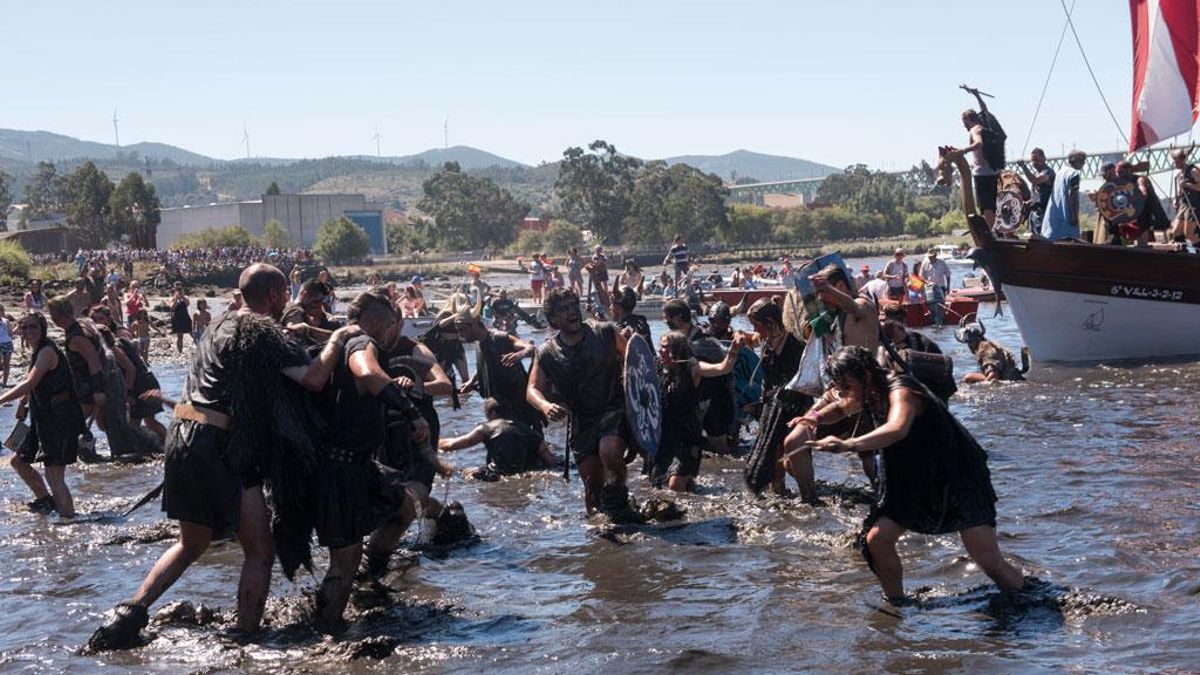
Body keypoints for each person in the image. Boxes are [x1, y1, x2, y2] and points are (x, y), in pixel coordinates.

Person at [86, 263, 358, 652]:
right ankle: (245, 637)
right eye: (285, 295)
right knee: (260, 551)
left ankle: (129, 613)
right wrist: (339, 338)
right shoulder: (260, 330)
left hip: (181, 434)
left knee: (191, 543)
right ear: (276, 294)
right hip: (221, 441)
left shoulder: (217, 325)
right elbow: (314, 378)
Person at [805, 346, 1027, 602]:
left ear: (865, 375)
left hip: (956, 474)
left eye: (844, 382)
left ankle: (1029, 597)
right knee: (877, 540)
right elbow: (842, 408)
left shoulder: (901, 390)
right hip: (913, 477)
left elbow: (897, 428)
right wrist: (813, 417)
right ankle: (897, 603)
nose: (839, 388)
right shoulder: (868, 391)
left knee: (987, 560)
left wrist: (849, 444)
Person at [313, 290, 428, 628]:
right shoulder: (363, 343)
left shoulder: (344, 339)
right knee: (343, 560)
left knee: (404, 508)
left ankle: (370, 575)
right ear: (382, 322)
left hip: (360, 465)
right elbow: (368, 374)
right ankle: (327, 632)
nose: (396, 333)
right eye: (394, 325)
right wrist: (411, 413)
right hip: (340, 467)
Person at [527, 288, 639, 521]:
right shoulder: (546, 352)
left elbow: (635, 361)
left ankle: (621, 503)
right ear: (553, 319)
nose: (571, 312)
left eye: (573, 305)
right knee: (592, 485)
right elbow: (532, 390)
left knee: (609, 453)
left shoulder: (605, 332)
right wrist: (545, 406)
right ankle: (599, 534)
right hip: (580, 421)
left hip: (613, 409)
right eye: (563, 309)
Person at [0, 313, 86, 517]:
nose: (29, 332)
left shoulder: (47, 350)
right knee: (18, 461)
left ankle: (69, 521)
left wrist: (1, 400)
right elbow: (36, 383)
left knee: (54, 474)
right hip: (42, 417)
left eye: (34, 327)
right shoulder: (37, 350)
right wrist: (23, 402)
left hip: (60, 418)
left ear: (43, 329)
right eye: (25, 328)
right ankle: (45, 501)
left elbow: (30, 382)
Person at [654, 330, 744, 492]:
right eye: (660, 347)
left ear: (676, 349)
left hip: (688, 436)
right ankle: (693, 491)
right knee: (658, 481)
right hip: (666, 436)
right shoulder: (660, 367)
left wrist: (734, 349)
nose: (661, 350)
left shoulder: (693, 367)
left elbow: (723, 368)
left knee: (675, 484)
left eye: (665, 347)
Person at [741, 297, 809, 497]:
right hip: (772, 406)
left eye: (757, 326)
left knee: (786, 456)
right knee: (772, 453)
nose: (756, 331)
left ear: (770, 322)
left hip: (794, 407)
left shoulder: (795, 345)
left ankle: (808, 493)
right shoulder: (768, 341)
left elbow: (798, 382)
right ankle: (778, 492)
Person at [439, 397, 559, 480]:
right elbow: (551, 461)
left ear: (493, 413)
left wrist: (431, 441)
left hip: (496, 475)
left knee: (462, 472)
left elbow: (452, 445)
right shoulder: (531, 432)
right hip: (525, 473)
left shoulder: (488, 427)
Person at [958, 87, 1005, 228]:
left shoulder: (974, 130)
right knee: (993, 204)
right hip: (993, 172)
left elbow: (979, 143)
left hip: (982, 174)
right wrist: (977, 95)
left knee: (986, 207)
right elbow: (985, 109)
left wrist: (964, 150)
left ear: (968, 119)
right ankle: (997, 230)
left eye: (963, 121)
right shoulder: (983, 124)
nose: (963, 124)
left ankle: (990, 234)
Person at [810, 264, 880, 351]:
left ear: (841, 286)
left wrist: (828, 288)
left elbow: (855, 308)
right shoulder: (837, 312)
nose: (820, 298)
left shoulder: (862, 303)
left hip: (864, 363)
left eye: (823, 292)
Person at [956, 320, 1026, 383]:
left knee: (968, 378)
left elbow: (994, 375)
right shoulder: (989, 346)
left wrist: (981, 389)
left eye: (969, 343)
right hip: (1012, 377)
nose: (969, 346)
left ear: (973, 342)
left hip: (1008, 380)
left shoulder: (985, 350)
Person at [1043, 149, 1086, 240]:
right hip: (1066, 217)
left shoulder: (1060, 172)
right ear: (1076, 160)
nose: (1084, 163)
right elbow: (1072, 194)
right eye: (1082, 160)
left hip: (1054, 217)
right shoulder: (1074, 174)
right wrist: (1073, 215)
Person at [1017, 148, 1055, 234]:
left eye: (1037, 160)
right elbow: (1037, 194)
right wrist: (1029, 202)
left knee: (1041, 239)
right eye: (1033, 160)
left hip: (1044, 214)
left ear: (1044, 159)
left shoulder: (1048, 172)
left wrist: (1023, 167)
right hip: (1033, 214)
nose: (1035, 163)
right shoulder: (1036, 173)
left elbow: (1036, 180)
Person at [913, 249, 951, 326]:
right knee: (931, 307)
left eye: (932, 256)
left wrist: (948, 286)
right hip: (929, 288)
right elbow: (921, 276)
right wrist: (927, 282)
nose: (930, 258)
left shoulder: (942, 262)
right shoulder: (925, 262)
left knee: (941, 306)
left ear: (935, 256)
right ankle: (934, 322)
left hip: (940, 287)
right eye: (929, 257)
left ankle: (940, 323)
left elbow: (948, 274)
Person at [1169, 148, 1200, 243]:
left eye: (1177, 161)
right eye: (1175, 161)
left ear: (1184, 159)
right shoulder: (1179, 174)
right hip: (1184, 205)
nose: (1175, 164)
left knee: (1189, 234)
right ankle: (1182, 251)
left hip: (1194, 205)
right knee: (1176, 231)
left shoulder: (1193, 171)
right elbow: (1181, 190)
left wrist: (1186, 184)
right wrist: (1176, 199)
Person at [169, 283, 192, 354]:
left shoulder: (185, 297)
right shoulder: (172, 298)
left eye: (180, 289)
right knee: (180, 336)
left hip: (185, 317)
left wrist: (183, 297)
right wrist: (176, 298)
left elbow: (187, 304)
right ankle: (180, 351)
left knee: (192, 332)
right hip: (177, 318)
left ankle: (200, 346)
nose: (179, 291)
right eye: (177, 289)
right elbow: (172, 307)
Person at [587, 245, 611, 312]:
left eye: (600, 249)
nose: (598, 251)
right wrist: (599, 263)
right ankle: (600, 295)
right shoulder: (594, 256)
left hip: (603, 271)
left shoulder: (603, 256)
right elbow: (595, 263)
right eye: (597, 249)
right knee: (598, 285)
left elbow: (606, 261)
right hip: (598, 272)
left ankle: (606, 295)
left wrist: (602, 262)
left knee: (605, 284)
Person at [0, 305, 13, 386]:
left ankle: (4, 383)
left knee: (6, 364)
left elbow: (10, 334)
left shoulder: (6, 321)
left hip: (7, 343)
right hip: (4, 343)